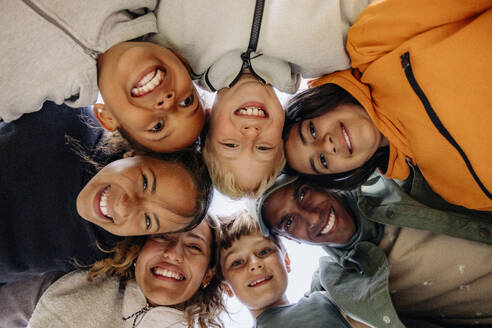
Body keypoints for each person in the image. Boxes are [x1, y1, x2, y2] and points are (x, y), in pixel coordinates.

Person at [282, 0, 492, 211]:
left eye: (311, 130)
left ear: (315, 102)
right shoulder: (455, 187)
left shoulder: (371, 44)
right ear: (346, 174)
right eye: (323, 162)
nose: (327, 146)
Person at [150, 0, 372, 198]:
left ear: (206, 120)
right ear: (282, 128)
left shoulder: (172, 48)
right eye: (264, 148)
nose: (251, 133)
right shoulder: (332, 54)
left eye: (230, 144)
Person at [0, 102, 212, 283]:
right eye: (145, 183)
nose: (124, 206)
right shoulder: (68, 116)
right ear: (135, 152)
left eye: (148, 221)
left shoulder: (101, 257)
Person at [256, 174, 492, 327]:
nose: (312, 216)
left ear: (321, 183)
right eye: (289, 223)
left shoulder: (390, 180)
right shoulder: (335, 283)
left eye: (303, 193)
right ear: (290, 239)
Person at [1, 0, 205, 153]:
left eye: (157, 127)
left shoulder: (13, 97)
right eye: (188, 101)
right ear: (182, 61)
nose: (168, 103)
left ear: (107, 117)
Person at [0, 217, 226, 328]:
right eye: (163, 236)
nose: (174, 253)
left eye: (194, 246)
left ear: (208, 273)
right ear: (140, 248)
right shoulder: (76, 281)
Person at [218, 211, 371, 328]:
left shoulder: (327, 300)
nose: (254, 264)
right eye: (237, 262)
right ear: (226, 287)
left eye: (264, 252)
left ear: (286, 260)